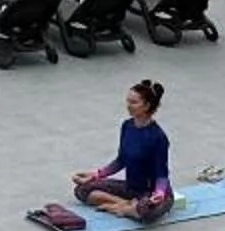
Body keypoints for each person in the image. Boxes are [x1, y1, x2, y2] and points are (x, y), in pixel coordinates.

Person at [74, 78, 172, 220]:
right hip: (131, 189)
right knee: (82, 190)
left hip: (150, 192)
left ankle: (132, 208)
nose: (128, 106)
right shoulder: (127, 126)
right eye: (128, 101)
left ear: (147, 105)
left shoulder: (158, 137)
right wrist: (96, 175)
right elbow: (121, 161)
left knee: (147, 210)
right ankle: (125, 206)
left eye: (134, 102)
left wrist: (159, 193)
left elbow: (162, 173)